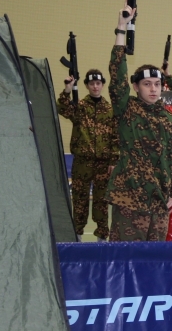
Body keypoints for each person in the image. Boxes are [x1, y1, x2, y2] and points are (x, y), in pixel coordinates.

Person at [105, 3, 172, 241]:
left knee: (155, 259)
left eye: (157, 84)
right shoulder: (127, 109)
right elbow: (117, 76)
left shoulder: (168, 119)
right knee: (125, 257)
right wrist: (122, 28)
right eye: (147, 84)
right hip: (129, 200)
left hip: (159, 202)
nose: (153, 89)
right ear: (135, 87)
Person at [57, 69, 119, 242]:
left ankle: (101, 239)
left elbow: (115, 136)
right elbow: (62, 108)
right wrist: (68, 89)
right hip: (82, 162)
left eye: (98, 83)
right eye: (92, 84)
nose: (95, 87)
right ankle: (77, 237)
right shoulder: (80, 107)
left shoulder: (109, 109)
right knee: (80, 200)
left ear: (102, 85)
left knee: (101, 201)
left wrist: (114, 160)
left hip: (103, 164)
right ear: (86, 85)